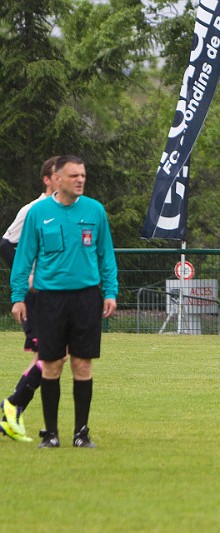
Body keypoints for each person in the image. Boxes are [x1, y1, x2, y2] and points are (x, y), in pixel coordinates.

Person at [9, 155, 118, 448]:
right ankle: (50, 433)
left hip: (86, 298)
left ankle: (81, 433)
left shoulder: (95, 211)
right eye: (73, 176)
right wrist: (18, 297)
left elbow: (106, 256)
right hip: (49, 300)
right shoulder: (38, 213)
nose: (80, 180)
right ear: (56, 179)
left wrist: (110, 292)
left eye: (83, 175)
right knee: (51, 365)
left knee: (82, 364)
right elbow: (24, 258)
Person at [0, 156, 62, 442]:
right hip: (36, 296)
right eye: (57, 175)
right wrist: (26, 277)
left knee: (55, 357)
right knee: (51, 357)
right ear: (47, 180)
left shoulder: (64, 211)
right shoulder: (33, 210)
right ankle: (13, 405)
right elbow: (6, 243)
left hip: (56, 294)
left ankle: (13, 408)